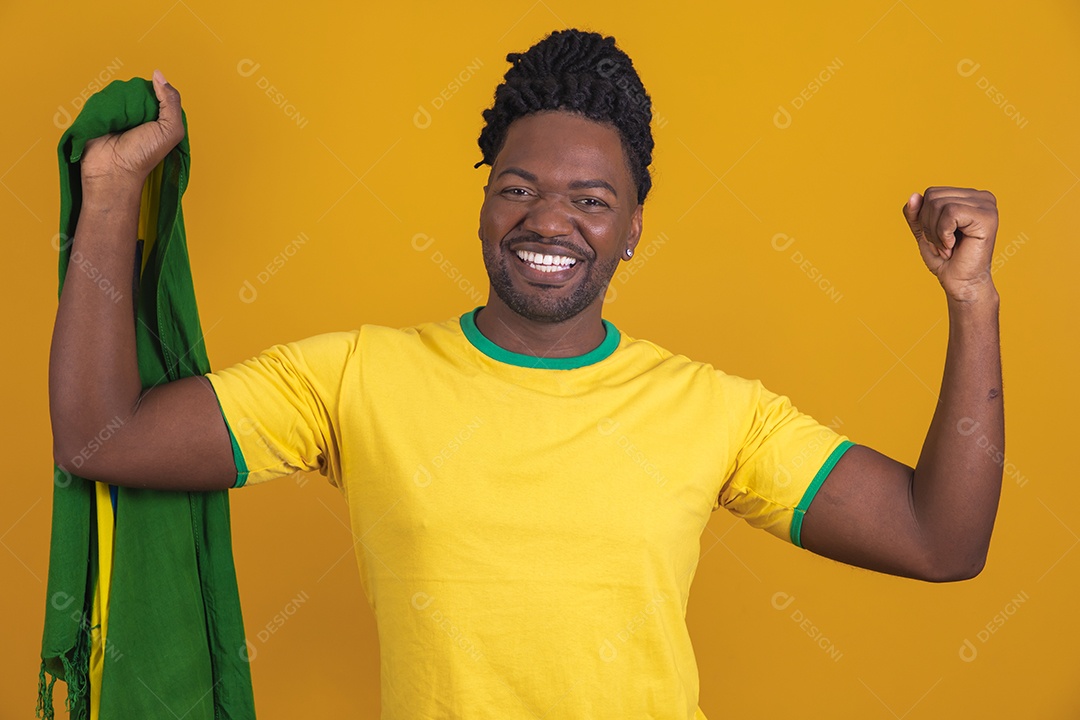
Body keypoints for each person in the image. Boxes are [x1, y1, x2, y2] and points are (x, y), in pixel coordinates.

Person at [50, 28, 1004, 719]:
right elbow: (102, 438)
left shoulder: (717, 411)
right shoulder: (355, 378)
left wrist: (971, 301)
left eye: (591, 199)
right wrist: (109, 194)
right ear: (482, 208)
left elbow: (939, 540)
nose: (549, 220)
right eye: (519, 188)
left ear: (633, 230)